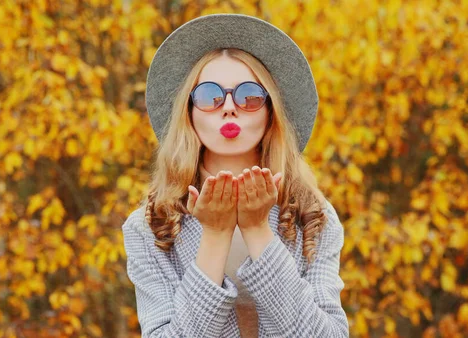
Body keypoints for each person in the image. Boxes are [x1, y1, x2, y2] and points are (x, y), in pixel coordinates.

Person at [122, 13, 349, 337]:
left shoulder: (313, 216)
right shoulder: (150, 224)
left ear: (271, 113)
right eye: (210, 95)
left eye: (249, 96)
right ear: (189, 113)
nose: (229, 107)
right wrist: (215, 234)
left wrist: (258, 229)